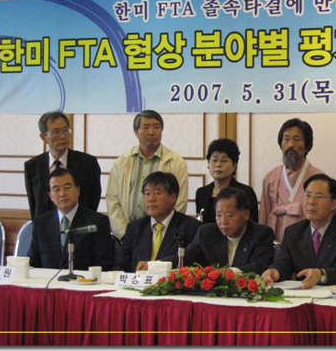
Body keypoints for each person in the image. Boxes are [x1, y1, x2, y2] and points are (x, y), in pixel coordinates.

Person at [261, 174, 336, 289]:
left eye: (319, 197)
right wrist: (275, 271)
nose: (311, 202)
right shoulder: (293, 232)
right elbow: (283, 263)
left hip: (334, 295)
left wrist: (321, 274)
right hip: (303, 293)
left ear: (333, 204)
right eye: (308, 195)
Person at [106, 110, 189, 239]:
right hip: (127, 235)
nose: (151, 132)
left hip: (162, 235)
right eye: (146, 127)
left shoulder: (176, 163)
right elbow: (113, 201)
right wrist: (125, 235)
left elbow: (180, 201)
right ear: (136, 132)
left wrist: (163, 233)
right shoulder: (122, 162)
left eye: (156, 127)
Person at [29, 167, 114, 270]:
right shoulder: (41, 223)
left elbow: (104, 264)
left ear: (78, 190)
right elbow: (32, 262)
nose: (62, 194)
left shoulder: (98, 222)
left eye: (67, 187)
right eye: (56, 189)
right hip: (47, 280)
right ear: (50, 196)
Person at [115, 171, 199, 272]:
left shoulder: (191, 227)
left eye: (157, 193)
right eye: (147, 194)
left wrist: (152, 266)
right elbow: (121, 266)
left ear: (173, 197)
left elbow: (189, 260)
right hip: (137, 281)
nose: (151, 199)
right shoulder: (135, 228)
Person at [24, 111, 101, 220]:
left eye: (65, 130)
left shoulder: (88, 163)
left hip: (80, 226)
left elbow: (93, 201)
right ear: (43, 137)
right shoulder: (32, 166)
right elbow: (34, 206)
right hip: (45, 227)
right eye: (56, 132)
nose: (63, 136)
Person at [259, 118, 324, 242]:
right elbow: (263, 217)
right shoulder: (270, 178)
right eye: (286, 139)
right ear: (281, 144)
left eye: (296, 139)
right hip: (276, 244)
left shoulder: (319, 178)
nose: (290, 145)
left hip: (308, 245)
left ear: (307, 145)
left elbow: (325, 218)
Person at [186, 187, 274, 274]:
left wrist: (227, 273)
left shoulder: (261, 234)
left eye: (230, 215)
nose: (223, 222)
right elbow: (187, 259)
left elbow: (259, 266)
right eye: (219, 215)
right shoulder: (205, 233)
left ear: (246, 214)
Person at [195, 138, 258, 223]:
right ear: (208, 164)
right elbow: (199, 223)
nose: (218, 164)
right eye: (214, 160)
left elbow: (252, 225)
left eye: (224, 161)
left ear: (234, 165)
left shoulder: (245, 192)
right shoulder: (201, 193)